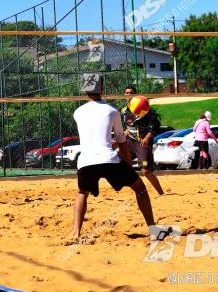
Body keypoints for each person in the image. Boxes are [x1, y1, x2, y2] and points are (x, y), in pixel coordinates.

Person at [72, 76, 169, 242]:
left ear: (85, 91)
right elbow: (122, 141)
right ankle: (153, 230)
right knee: (140, 188)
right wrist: (128, 166)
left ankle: (75, 233)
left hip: (86, 161)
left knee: (82, 193)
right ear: (102, 90)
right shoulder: (112, 111)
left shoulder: (77, 112)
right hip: (108, 158)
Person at [121, 85, 164, 195]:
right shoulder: (124, 111)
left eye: (131, 92)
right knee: (117, 161)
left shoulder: (143, 109)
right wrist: (119, 139)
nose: (129, 94)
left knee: (145, 170)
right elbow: (129, 128)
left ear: (135, 95)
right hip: (130, 143)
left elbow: (156, 125)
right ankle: (135, 188)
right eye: (127, 92)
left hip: (142, 145)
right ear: (124, 95)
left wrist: (147, 137)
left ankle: (161, 193)